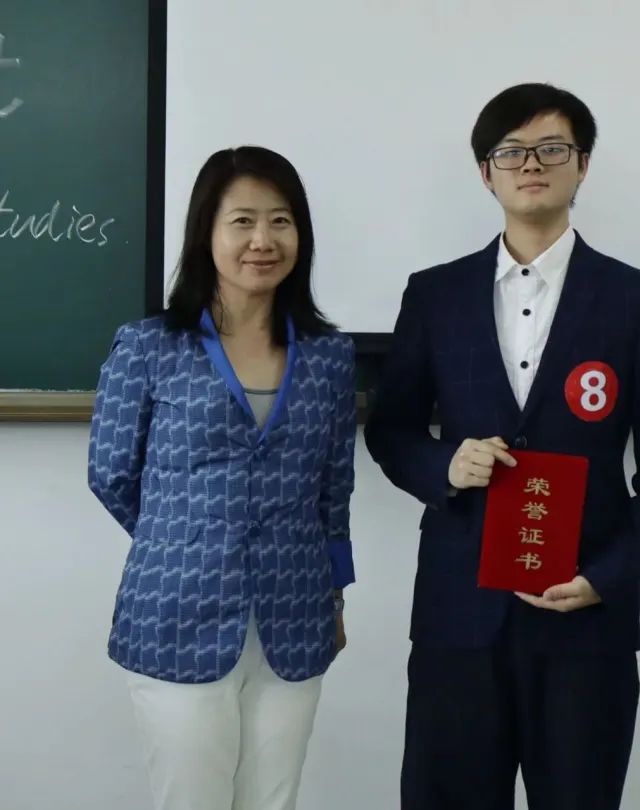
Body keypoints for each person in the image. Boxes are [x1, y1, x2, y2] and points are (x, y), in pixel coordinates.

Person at [365, 82, 640, 810]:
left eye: (552, 149)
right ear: (486, 173)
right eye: (511, 152)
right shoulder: (435, 294)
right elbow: (390, 429)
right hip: (459, 612)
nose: (532, 164)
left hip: (585, 615)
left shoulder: (639, 300)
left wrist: (606, 577)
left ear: (584, 165)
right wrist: (445, 465)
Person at [88, 146, 357, 810]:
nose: (263, 240)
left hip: (295, 612)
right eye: (242, 221)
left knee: (274, 800)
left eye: (281, 221)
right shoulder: (148, 346)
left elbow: (334, 490)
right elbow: (111, 473)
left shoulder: (329, 356)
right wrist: (188, 537)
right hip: (176, 610)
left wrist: (335, 595)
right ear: (205, 233)